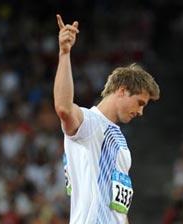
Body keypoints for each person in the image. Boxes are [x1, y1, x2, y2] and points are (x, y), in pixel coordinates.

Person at [53, 14, 160, 224]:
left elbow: (119, 208)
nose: (140, 112)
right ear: (122, 90)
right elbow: (64, 108)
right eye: (140, 103)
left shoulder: (119, 142)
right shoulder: (90, 124)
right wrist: (64, 54)